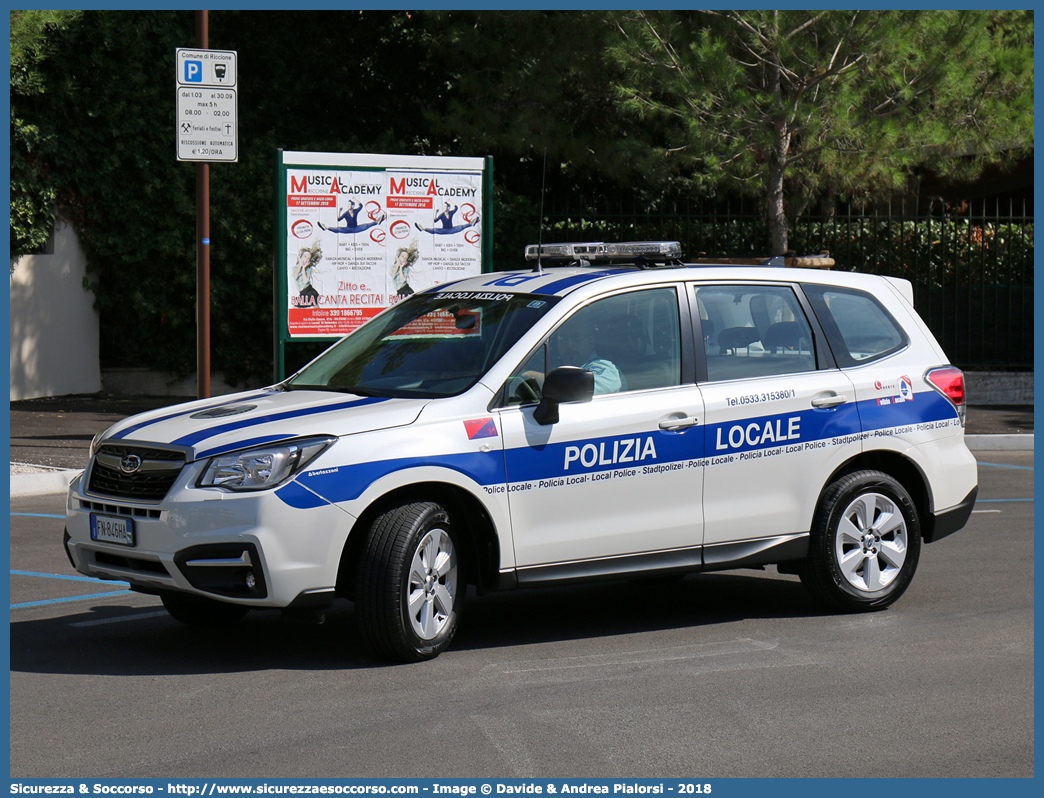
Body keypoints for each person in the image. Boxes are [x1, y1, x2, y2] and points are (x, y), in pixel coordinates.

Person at [523, 312, 623, 395]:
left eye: (576, 337)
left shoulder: (605, 369)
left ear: (591, 340)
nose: (569, 345)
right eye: (563, 338)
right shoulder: (551, 365)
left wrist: (530, 375)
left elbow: (578, 390)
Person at [319, 200, 387, 234]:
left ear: (353, 206)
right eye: (348, 205)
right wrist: (339, 211)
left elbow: (361, 206)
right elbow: (338, 219)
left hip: (356, 228)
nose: (349, 206)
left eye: (350, 205)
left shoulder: (355, 211)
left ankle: (377, 222)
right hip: (349, 229)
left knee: (366, 225)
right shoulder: (346, 213)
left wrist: (355, 199)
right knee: (339, 229)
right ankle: (326, 227)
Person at [415, 202, 480, 235]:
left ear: (448, 207)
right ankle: (422, 228)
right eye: (444, 207)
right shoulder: (442, 215)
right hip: (444, 230)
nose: (444, 208)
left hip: (451, 229)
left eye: (445, 206)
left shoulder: (451, 213)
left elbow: (456, 208)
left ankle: (471, 223)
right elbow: (435, 221)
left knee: (461, 226)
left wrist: (451, 201)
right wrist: (436, 213)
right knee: (434, 230)